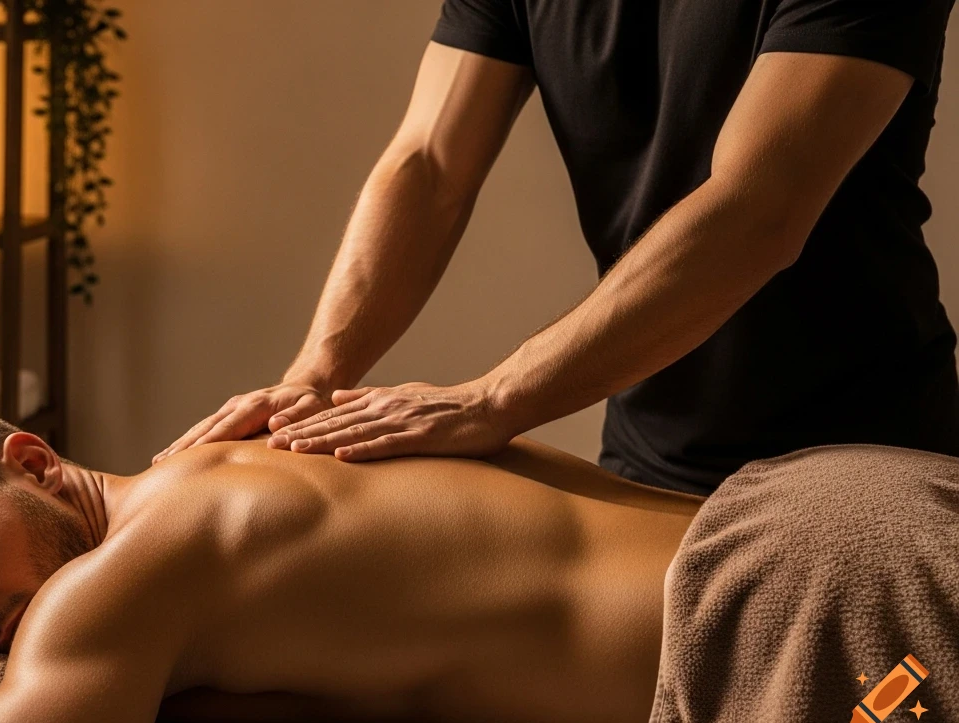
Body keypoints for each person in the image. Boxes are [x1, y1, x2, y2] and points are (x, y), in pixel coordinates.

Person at [155, 0, 959, 496]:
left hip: (863, 455)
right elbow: (428, 165)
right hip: (647, 464)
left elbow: (757, 209)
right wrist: (312, 383)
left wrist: (492, 400)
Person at [0, 401, 700, 723]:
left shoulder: (118, 581)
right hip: (780, 527)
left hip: (790, 629)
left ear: (30, 462)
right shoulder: (246, 455)